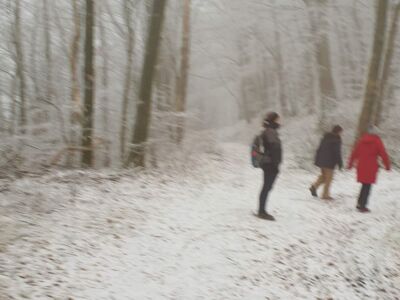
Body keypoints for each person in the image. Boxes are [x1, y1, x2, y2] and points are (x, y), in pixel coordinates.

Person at [348, 125, 391, 212]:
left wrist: (350, 164)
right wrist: (387, 165)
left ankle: (360, 203)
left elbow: (354, 153)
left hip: (361, 166)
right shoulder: (377, 141)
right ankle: (362, 206)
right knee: (367, 186)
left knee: (364, 185)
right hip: (371, 167)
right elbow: (383, 153)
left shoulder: (362, 140)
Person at [258, 112, 283, 221]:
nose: (279, 121)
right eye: (278, 119)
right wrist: (275, 164)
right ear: (274, 120)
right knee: (266, 187)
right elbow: (274, 149)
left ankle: (262, 210)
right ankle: (262, 211)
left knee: (267, 187)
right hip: (270, 163)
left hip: (269, 162)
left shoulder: (269, 131)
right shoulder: (271, 131)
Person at [309, 125, 343, 200]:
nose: (341, 134)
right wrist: (340, 163)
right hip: (329, 162)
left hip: (322, 160)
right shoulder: (336, 140)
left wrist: (317, 159)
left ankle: (314, 187)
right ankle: (325, 195)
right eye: (341, 132)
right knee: (329, 179)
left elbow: (319, 149)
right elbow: (337, 152)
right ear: (338, 132)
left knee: (324, 176)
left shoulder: (325, 138)